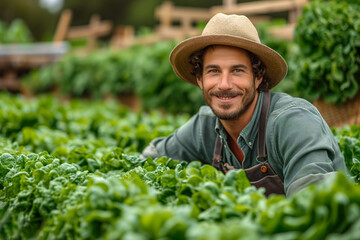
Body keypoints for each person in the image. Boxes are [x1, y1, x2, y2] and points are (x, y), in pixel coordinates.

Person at [141, 13, 346, 197]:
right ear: (199, 79)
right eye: (213, 71)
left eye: (237, 70)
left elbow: (315, 206)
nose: (224, 84)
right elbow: (147, 161)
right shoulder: (203, 128)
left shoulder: (293, 122)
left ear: (257, 77)